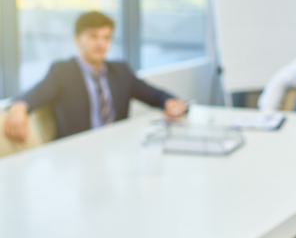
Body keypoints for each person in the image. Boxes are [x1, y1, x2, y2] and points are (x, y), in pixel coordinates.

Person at [4, 11, 187, 142]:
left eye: (106, 37)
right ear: (77, 39)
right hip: (75, 156)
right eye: (93, 36)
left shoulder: (120, 71)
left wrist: (170, 102)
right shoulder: (63, 72)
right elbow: (37, 93)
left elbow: (154, 94)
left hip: (116, 150)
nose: (101, 43)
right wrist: (18, 107)